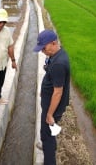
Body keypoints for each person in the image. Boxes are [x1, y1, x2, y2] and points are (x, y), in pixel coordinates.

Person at [33, 30, 70, 165]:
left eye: (44, 48)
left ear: (53, 43)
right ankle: (51, 147)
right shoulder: (57, 54)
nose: (42, 51)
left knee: (45, 134)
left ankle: (49, 157)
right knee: (48, 133)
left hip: (52, 107)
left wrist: (49, 114)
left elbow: (58, 92)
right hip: (50, 102)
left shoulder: (59, 64)